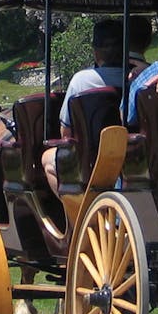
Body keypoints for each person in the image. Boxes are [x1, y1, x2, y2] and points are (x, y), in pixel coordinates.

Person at [43, 20, 125, 193]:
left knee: (46, 159)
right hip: (132, 158)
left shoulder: (82, 80)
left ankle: (76, 214)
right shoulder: (139, 75)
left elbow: (66, 132)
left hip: (92, 160)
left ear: (96, 52)